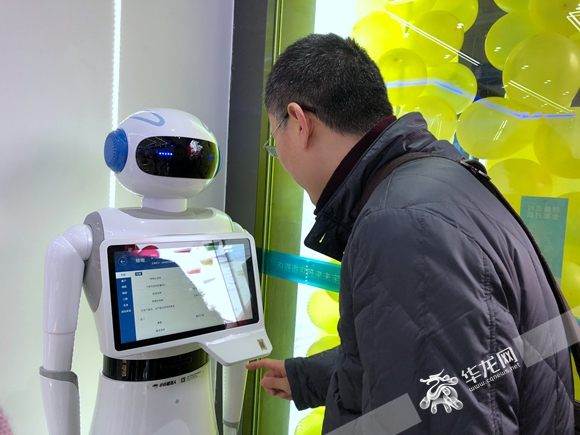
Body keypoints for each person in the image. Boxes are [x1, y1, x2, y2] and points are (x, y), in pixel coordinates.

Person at [246, 33, 574, 434]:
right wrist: (308, 378)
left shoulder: (402, 226)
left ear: (299, 123)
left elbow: (447, 408)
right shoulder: (434, 181)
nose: (277, 153)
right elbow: (456, 366)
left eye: (273, 137)